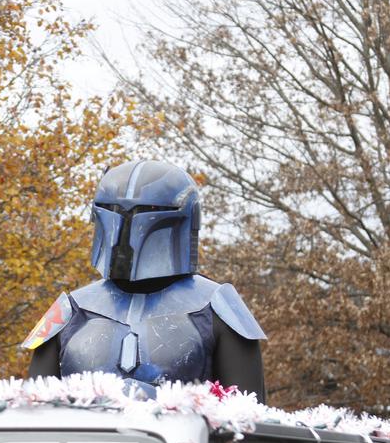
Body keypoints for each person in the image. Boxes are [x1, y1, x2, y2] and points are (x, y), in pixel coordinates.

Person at [24, 160, 267, 401]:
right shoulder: (70, 311)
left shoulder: (217, 309)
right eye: (115, 211)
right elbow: (33, 415)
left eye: (146, 211)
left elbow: (249, 419)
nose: (128, 223)